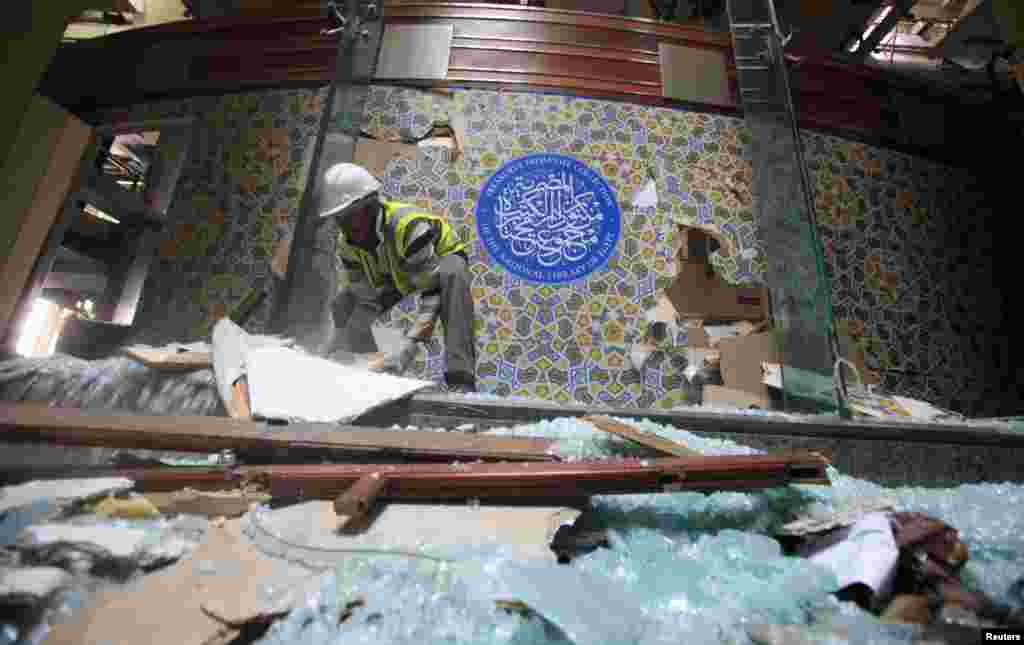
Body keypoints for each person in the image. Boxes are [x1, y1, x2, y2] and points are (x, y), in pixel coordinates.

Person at [318, 162, 477, 393]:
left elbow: (431, 292)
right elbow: (366, 299)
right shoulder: (347, 246)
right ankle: (368, 372)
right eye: (339, 219)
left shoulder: (408, 226)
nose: (346, 226)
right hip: (394, 273)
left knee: (453, 274)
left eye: (351, 216)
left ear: (370, 205)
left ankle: (461, 380)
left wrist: (409, 346)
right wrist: (336, 347)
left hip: (438, 262)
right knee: (344, 303)